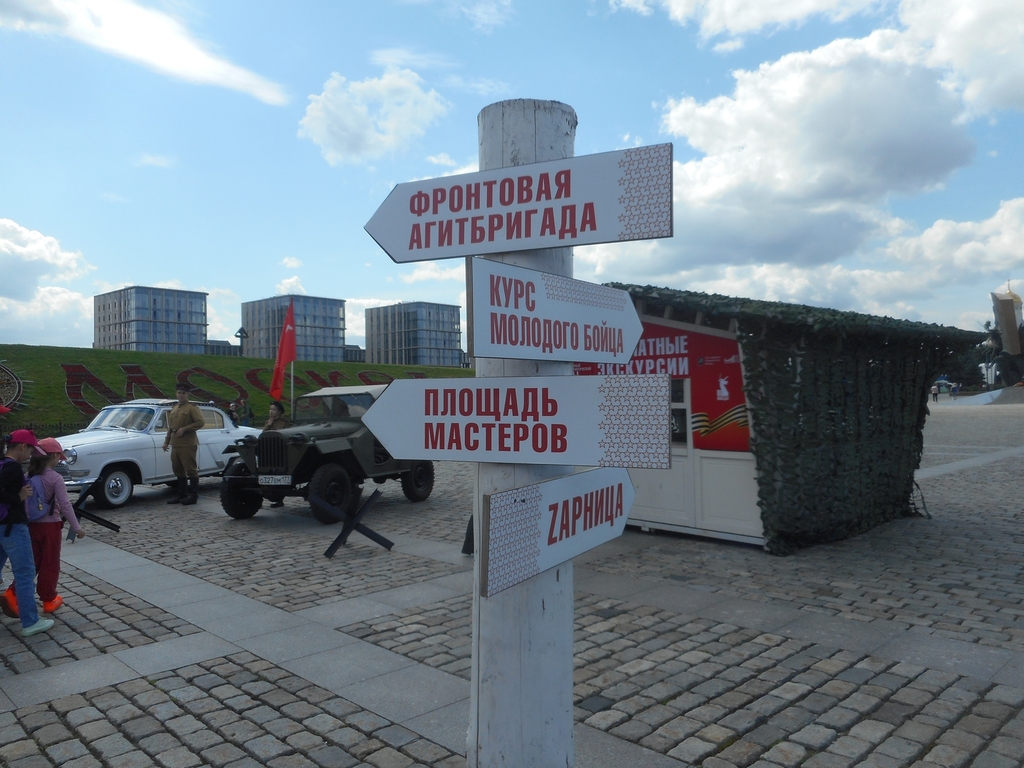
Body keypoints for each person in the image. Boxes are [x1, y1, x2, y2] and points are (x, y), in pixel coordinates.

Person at [14, 438, 84, 614]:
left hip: (31, 526)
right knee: (50, 563)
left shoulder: (28, 476)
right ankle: (48, 599)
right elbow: (65, 505)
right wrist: (76, 527)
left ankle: (12, 593)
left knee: (32, 562)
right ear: (54, 456)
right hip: (51, 526)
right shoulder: (55, 478)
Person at [0, 429, 55, 636]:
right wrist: (19, 497)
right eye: (31, 450)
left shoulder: (1, 463)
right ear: (23, 446)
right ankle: (30, 621)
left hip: (1, 526)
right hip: (13, 526)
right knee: (25, 573)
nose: (30, 456)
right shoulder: (13, 467)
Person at [162, 384, 205, 506]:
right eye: (179, 393)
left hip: (187, 443)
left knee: (190, 470)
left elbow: (200, 422)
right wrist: (166, 441)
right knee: (178, 470)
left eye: (183, 393)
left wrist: (185, 429)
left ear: (187, 394)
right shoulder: (175, 407)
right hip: (175, 443)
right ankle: (182, 495)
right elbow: (171, 427)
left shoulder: (192, 407)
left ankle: (193, 496)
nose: (181, 395)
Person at [263, 402, 291, 507]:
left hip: (281, 451)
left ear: (279, 412)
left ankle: (279, 499)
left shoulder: (285, 423)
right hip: (269, 452)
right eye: (270, 409)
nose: (271, 411)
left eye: (274, 409)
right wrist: (269, 424)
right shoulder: (268, 423)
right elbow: (263, 434)